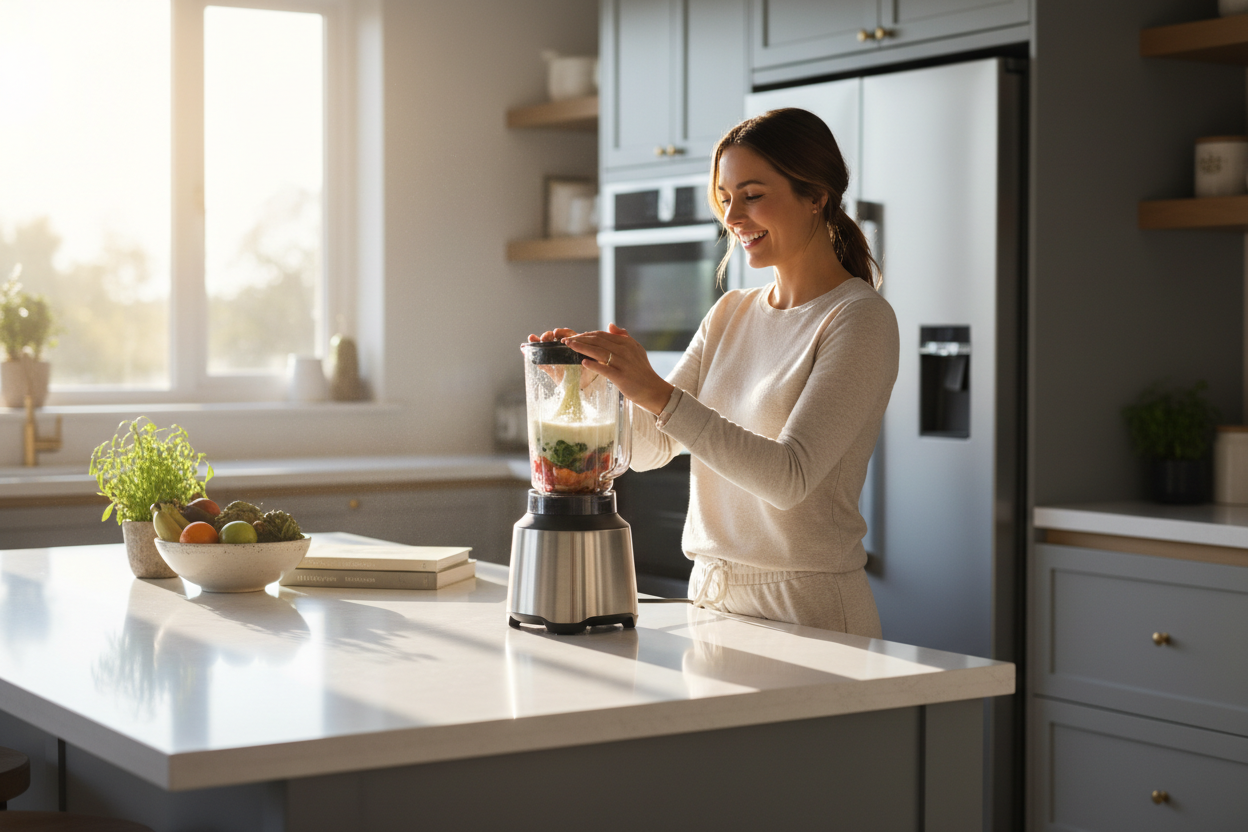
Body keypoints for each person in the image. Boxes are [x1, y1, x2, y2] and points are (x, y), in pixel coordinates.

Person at [528, 108, 899, 637]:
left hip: (806, 608)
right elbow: (647, 449)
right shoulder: (730, 313)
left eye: (752, 194)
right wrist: (596, 384)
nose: (732, 216)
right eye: (726, 199)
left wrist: (655, 391)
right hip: (708, 597)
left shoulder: (858, 318)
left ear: (816, 195)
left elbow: (788, 478)